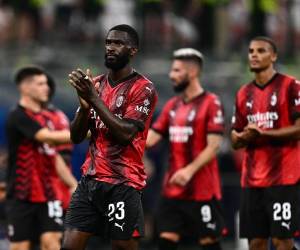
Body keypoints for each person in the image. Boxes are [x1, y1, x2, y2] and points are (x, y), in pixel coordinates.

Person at [61, 24, 158, 250]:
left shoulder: (143, 88)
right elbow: (75, 137)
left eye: (118, 43)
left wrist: (94, 100)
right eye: (108, 42)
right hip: (90, 181)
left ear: (133, 50)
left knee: (122, 247)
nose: (110, 48)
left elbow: (125, 134)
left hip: (123, 183)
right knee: (68, 246)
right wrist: (85, 108)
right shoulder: (95, 84)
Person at [146, 48, 225, 250]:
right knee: (166, 240)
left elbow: (214, 146)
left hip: (203, 190)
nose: (171, 75)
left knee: (209, 242)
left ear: (192, 72)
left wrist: (189, 171)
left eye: (176, 70)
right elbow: (150, 139)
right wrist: (116, 133)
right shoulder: (172, 105)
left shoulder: (211, 103)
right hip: (172, 189)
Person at [231, 36, 300, 250]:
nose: (254, 55)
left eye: (261, 51)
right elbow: (234, 138)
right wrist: (243, 138)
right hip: (251, 181)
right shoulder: (243, 93)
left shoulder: (291, 86)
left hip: (284, 180)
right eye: (251, 51)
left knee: (282, 240)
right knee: (256, 243)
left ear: (274, 56)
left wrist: (263, 134)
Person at [5, 66, 73, 250]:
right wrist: (90, 132)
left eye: (46, 84)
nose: (47, 88)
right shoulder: (17, 116)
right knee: (20, 246)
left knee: (51, 243)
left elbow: (52, 154)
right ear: (25, 88)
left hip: (49, 194)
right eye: (40, 84)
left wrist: (72, 184)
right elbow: (47, 138)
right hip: (21, 195)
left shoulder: (49, 118)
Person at [43, 74, 77, 212]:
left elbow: (64, 155)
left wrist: (71, 184)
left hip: (54, 189)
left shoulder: (56, 117)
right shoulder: (23, 116)